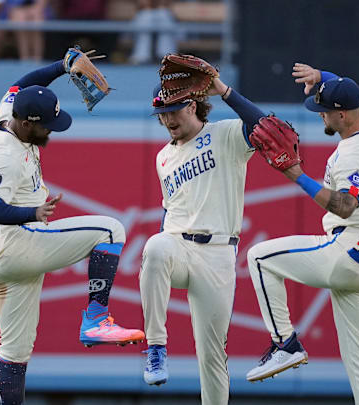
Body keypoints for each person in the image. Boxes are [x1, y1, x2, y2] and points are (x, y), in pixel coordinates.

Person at [0, 60, 145, 405]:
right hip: (15, 241)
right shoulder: (4, 155)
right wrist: (33, 212)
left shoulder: (10, 111)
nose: (51, 130)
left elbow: (20, 82)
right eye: (46, 125)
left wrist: (62, 64)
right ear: (25, 124)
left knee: (15, 353)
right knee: (110, 230)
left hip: (0, 253)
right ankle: (96, 319)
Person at [244, 63, 359, 405]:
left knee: (260, 257)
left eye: (325, 112)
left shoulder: (353, 154)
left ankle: (285, 343)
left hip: (348, 247)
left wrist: (296, 175)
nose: (321, 117)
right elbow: (352, 95)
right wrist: (322, 76)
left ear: (342, 115)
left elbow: (344, 205)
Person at [139, 71, 266, 405]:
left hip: (219, 254)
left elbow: (264, 127)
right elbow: (170, 209)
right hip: (178, 244)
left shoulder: (224, 133)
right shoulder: (163, 157)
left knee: (212, 356)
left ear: (192, 105)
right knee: (155, 247)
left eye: (173, 110)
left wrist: (224, 91)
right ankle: (155, 347)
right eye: (161, 113)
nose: (167, 119)